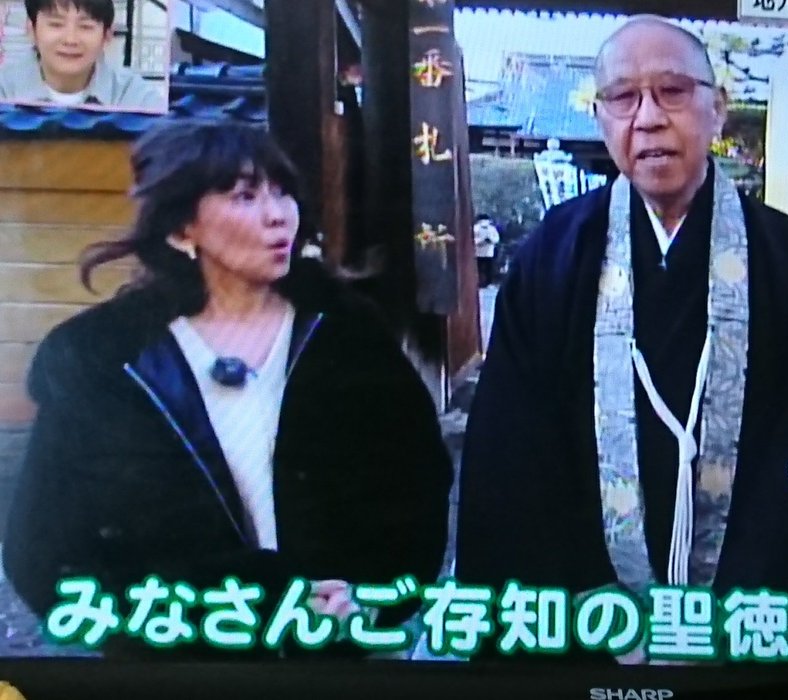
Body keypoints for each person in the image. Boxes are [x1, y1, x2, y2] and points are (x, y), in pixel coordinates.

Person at [455, 15, 788, 663]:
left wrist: (731, 609)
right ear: (600, 117)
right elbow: (515, 453)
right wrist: (587, 607)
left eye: (672, 91)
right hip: (582, 617)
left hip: (741, 618)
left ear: (717, 108)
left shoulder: (782, 255)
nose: (647, 118)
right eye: (623, 97)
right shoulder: (555, 252)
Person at [2, 123, 454, 659]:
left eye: (282, 192)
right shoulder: (103, 360)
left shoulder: (350, 337)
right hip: (177, 670)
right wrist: (167, 627)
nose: (277, 214)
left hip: (332, 663)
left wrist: (369, 597)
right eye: (244, 196)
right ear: (181, 229)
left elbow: (416, 494)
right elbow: (44, 550)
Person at [0, 0, 163, 110]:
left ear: (107, 35)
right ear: (31, 30)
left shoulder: (135, 97)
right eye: (56, 24)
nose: (70, 40)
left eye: (86, 26)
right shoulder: (4, 89)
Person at [473, 214, 500, 287]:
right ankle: (479, 282)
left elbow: (497, 239)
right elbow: (473, 239)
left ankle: (488, 282)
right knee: (479, 269)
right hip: (479, 252)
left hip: (489, 252)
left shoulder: (492, 228)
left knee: (489, 269)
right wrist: (481, 241)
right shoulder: (475, 228)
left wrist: (490, 240)